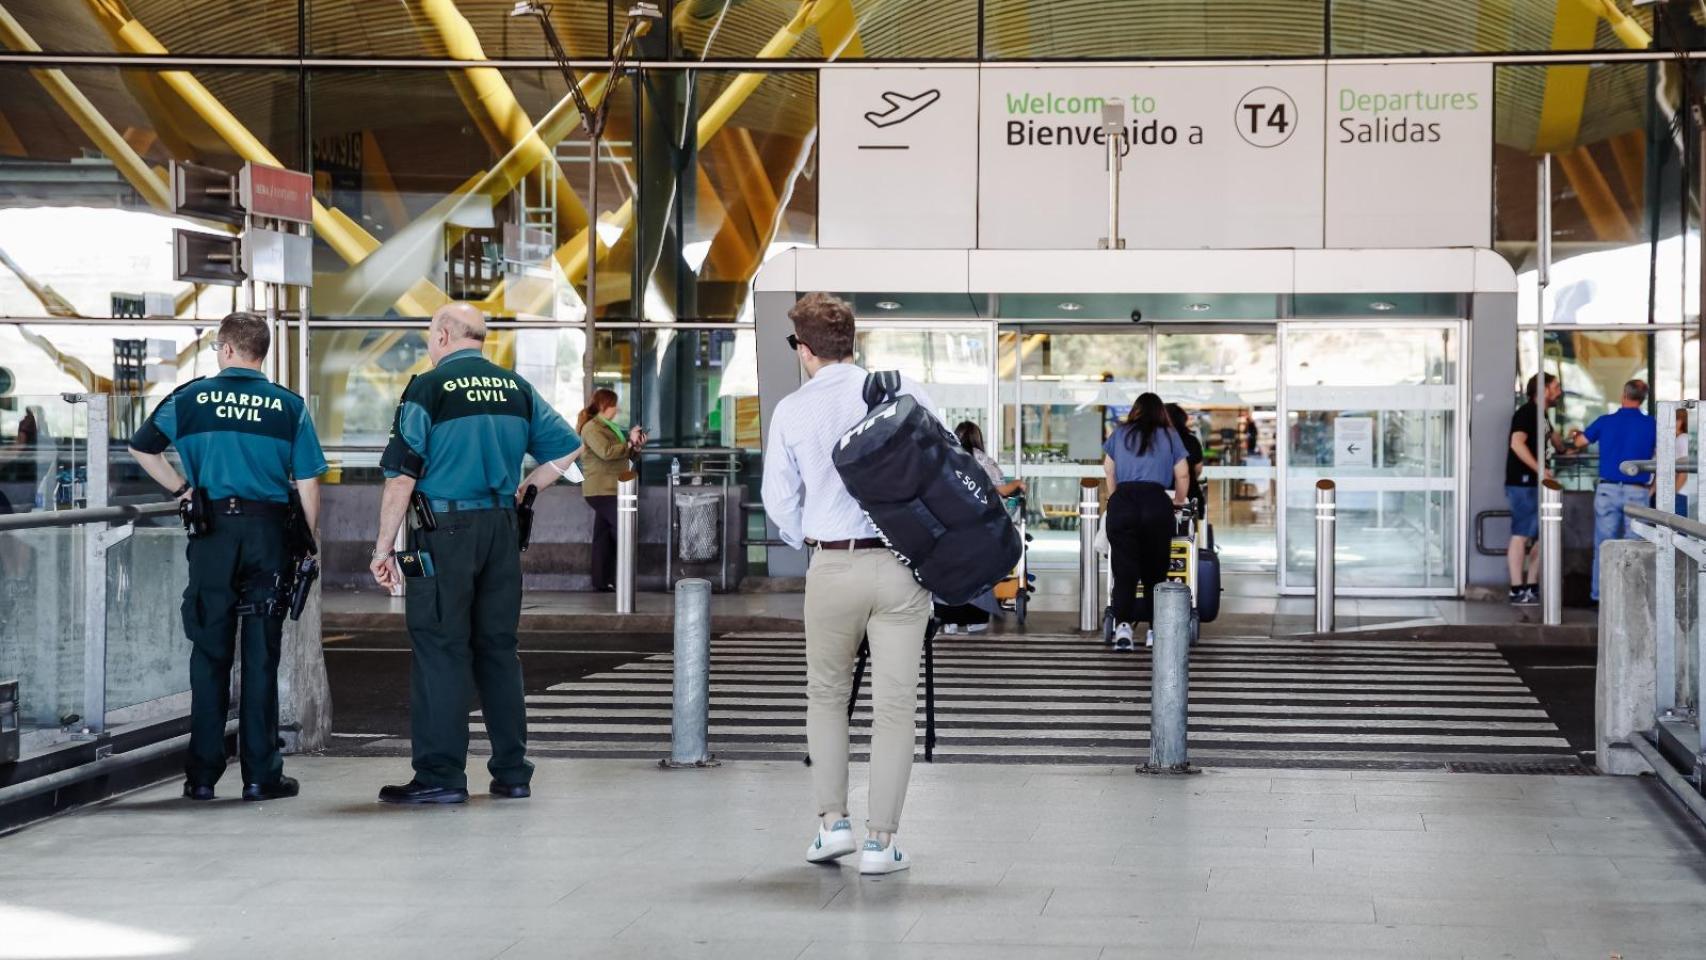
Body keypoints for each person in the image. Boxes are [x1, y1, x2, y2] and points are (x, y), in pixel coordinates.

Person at [369, 302, 582, 805]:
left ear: (444, 334)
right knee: (498, 650)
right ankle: (512, 772)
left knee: (441, 649)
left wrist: (383, 548)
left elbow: (402, 476)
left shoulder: (428, 387)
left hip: (445, 532)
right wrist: (531, 484)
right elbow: (569, 446)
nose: (428, 343)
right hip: (501, 529)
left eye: (428, 334)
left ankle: (440, 775)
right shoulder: (516, 388)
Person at [762, 292, 934, 876]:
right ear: (852, 342)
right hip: (901, 567)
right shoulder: (900, 387)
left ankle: (832, 825)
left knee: (827, 696)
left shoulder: (792, 411)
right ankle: (881, 844)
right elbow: (946, 462)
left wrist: (809, 540)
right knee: (894, 708)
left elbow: (779, 503)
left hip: (831, 565)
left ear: (803, 349)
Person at [127, 311, 327, 802]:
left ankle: (201, 776)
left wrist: (182, 489)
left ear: (228, 349)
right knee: (261, 654)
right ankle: (261, 776)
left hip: (211, 533)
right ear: (261, 352)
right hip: (268, 534)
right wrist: (305, 543)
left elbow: (142, 449)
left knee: (210, 652)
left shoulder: (189, 398)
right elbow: (308, 483)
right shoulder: (288, 407)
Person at [1102, 392, 1190, 652]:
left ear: (1136, 410)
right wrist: (1179, 501)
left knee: (1124, 570)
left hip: (1123, 502)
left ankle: (1123, 629)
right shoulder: (1169, 434)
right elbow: (1183, 473)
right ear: (1160, 411)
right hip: (1155, 501)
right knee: (1155, 572)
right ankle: (1154, 631)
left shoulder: (1120, 433)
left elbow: (1108, 468)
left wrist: (1115, 495)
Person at [1569, 379, 1657, 604]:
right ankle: (1631, 599)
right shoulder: (1651, 424)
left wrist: (1574, 434)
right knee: (1635, 548)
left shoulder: (1605, 421)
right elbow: (1662, 456)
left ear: (1623, 395)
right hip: (1638, 491)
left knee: (1605, 545)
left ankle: (1601, 597)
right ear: (1642, 399)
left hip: (1607, 490)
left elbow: (1580, 442)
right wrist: (1652, 489)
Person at [935, 421, 1024, 634]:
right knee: (976, 572)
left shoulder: (943, 458)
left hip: (948, 528)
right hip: (979, 529)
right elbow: (1000, 490)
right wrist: (1018, 484)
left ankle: (950, 621)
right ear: (977, 438)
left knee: (950, 572)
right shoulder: (982, 460)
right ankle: (975, 618)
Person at [576, 388, 646, 591]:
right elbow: (606, 453)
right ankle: (621, 578)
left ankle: (601, 581)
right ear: (603, 406)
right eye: (614, 404)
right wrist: (629, 442)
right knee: (624, 529)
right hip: (601, 489)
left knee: (603, 536)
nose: (617, 409)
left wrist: (635, 447)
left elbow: (623, 456)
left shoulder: (610, 427)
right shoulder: (592, 428)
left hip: (613, 487)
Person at [1505, 373, 1566, 606]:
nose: (1559, 391)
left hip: (1535, 482)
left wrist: (1562, 443)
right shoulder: (1527, 413)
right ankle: (1516, 588)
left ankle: (1531, 586)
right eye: (1556, 387)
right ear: (1543, 390)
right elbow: (1516, 443)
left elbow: (1554, 444)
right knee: (1522, 533)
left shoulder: (1542, 415)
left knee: (1542, 535)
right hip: (1523, 483)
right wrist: (1540, 470)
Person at [1165, 403, 1205, 514]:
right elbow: (1198, 469)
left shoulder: (1156, 441)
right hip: (1190, 494)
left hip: (1161, 498)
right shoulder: (1192, 441)